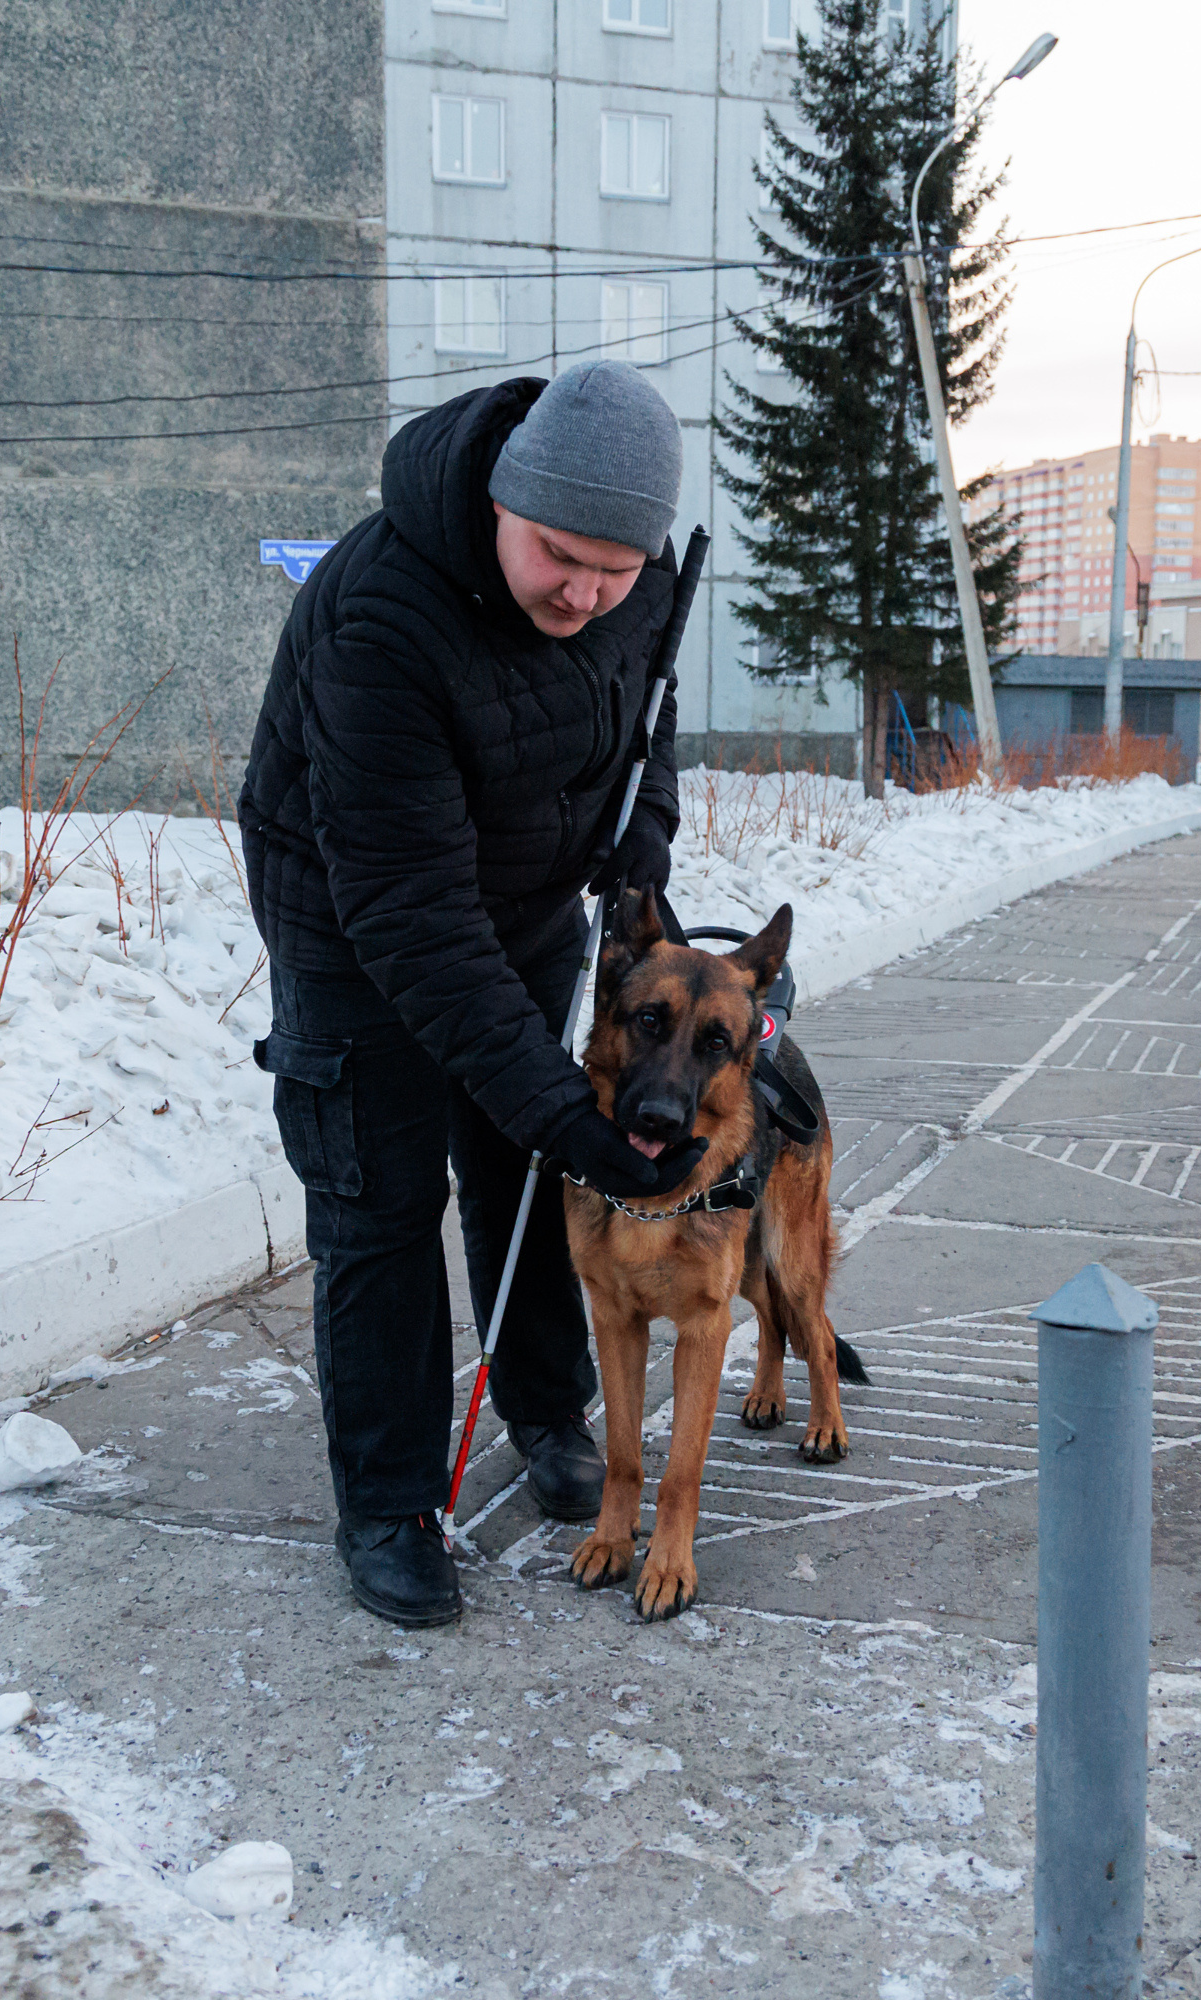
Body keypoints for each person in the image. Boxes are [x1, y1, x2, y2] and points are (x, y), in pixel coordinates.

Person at [237, 362, 712, 1629]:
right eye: (561, 557)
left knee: (520, 1165)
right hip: (355, 915)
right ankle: (390, 1500)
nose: (589, 592)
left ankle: (547, 1410)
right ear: (504, 499)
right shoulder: (380, 617)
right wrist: (569, 1109)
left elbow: (647, 721)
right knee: (381, 1195)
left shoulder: (635, 574)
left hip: (525, 896)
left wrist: (641, 841)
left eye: (616, 571)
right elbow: (416, 921)